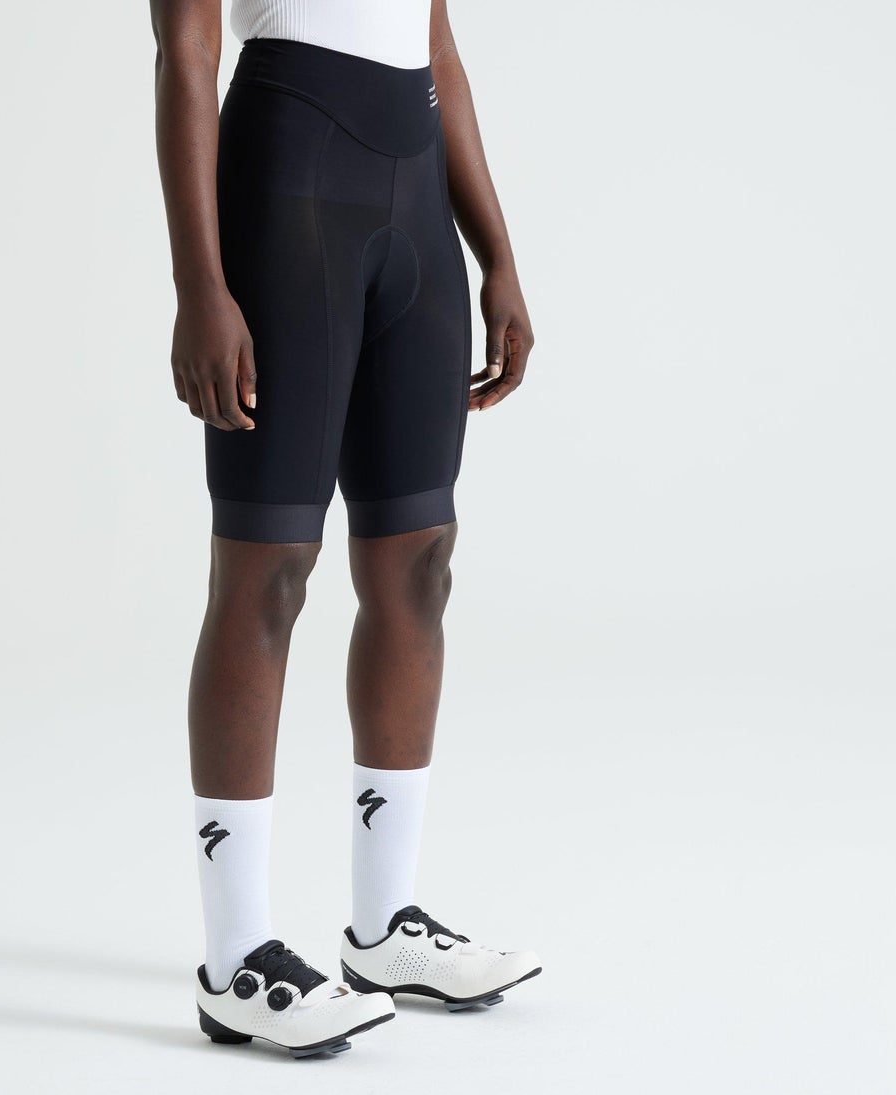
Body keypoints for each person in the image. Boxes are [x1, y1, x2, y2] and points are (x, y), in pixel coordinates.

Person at [151, 0, 541, 1057]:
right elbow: (186, 49)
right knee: (269, 569)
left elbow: (437, 46)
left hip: (416, 193)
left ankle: (383, 928)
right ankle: (236, 959)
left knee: (418, 561)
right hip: (289, 183)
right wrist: (199, 284)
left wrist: (497, 252)